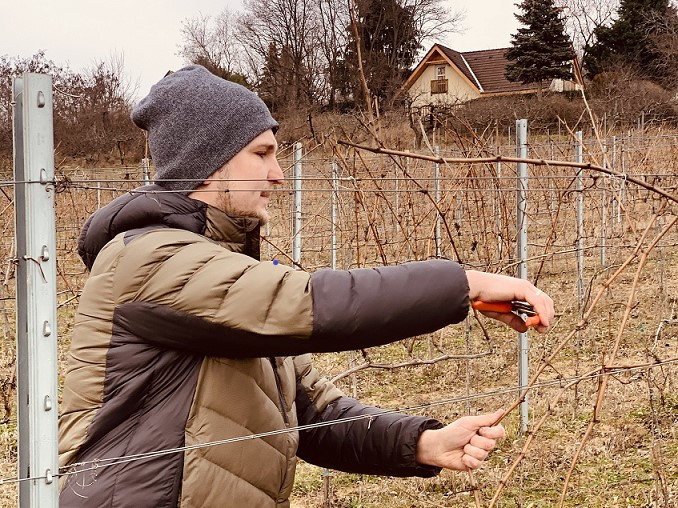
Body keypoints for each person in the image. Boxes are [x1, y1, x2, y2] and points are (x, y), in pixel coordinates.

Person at [58, 65, 554, 507]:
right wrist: (464, 283)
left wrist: (423, 443)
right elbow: (305, 304)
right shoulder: (148, 258)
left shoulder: (222, 270)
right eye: (261, 153)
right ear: (207, 163)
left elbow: (310, 410)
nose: (278, 175)